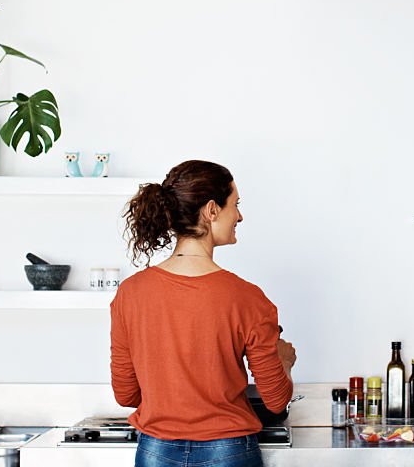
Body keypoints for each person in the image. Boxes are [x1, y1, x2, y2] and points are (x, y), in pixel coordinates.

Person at [111, 160, 297, 467]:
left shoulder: (130, 294)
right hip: (229, 451)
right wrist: (286, 362)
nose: (239, 216)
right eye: (234, 205)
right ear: (211, 210)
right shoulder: (247, 298)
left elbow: (126, 395)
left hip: (156, 451)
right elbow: (276, 401)